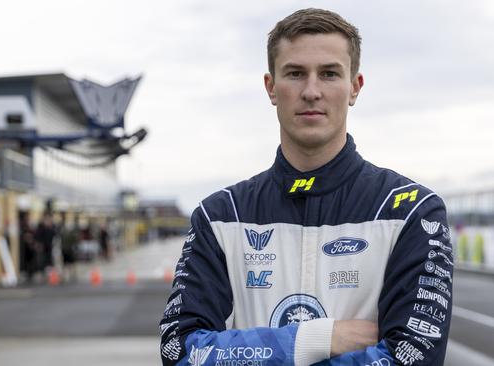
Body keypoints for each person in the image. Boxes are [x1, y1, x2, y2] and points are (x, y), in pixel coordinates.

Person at [159, 8, 453, 366]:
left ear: (354, 87)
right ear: (271, 88)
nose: (311, 91)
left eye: (329, 74)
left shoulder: (411, 211)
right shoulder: (220, 216)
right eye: (295, 74)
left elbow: (412, 359)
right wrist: (313, 339)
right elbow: (179, 351)